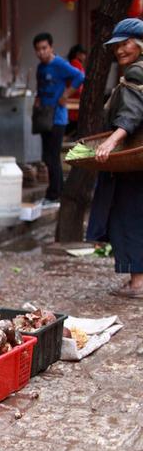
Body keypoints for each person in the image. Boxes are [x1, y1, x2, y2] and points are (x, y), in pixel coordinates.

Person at [86, 18, 143, 298]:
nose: (120, 50)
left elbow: (130, 116)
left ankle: (138, 282)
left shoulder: (136, 74)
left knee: (128, 217)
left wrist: (110, 142)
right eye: (117, 45)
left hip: (133, 163)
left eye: (126, 43)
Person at [33, 32, 85, 205]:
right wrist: (38, 100)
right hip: (44, 117)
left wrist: (67, 94)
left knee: (52, 156)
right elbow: (40, 88)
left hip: (58, 118)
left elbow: (79, 76)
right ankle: (55, 192)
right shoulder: (41, 67)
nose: (41, 52)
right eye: (38, 49)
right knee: (46, 156)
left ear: (51, 48)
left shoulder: (60, 64)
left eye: (44, 48)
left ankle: (54, 195)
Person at [66, 44, 88, 136]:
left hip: (72, 97)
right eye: (84, 54)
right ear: (78, 54)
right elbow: (79, 82)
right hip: (76, 98)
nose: (85, 57)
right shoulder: (76, 64)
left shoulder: (71, 64)